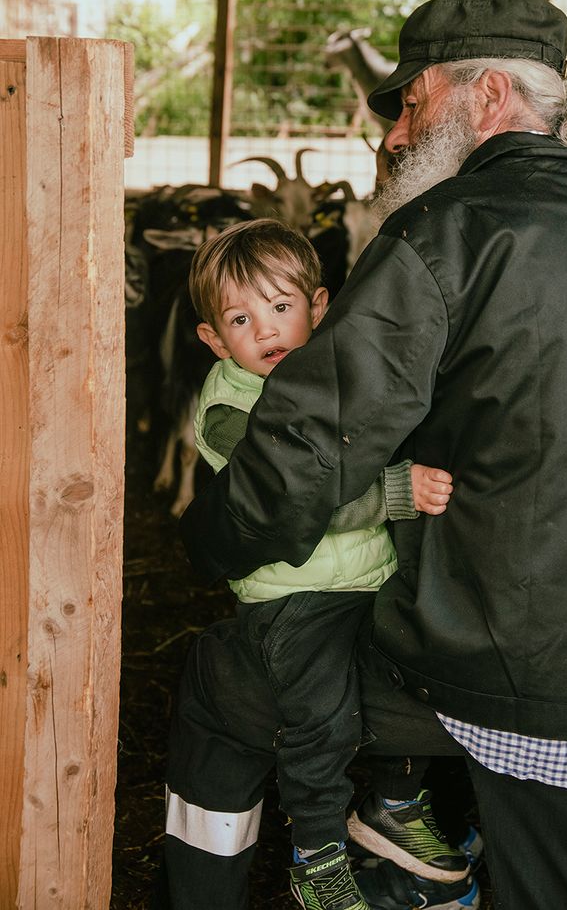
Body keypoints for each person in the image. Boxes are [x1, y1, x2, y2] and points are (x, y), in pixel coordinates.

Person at [168, 0, 567, 910]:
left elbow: (310, 442)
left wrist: (207, 537)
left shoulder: (449, 232)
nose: (394, 137)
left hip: (496, 672)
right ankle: (405, 825)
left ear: (487, 94)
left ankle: (263, 876)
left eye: (411, 105)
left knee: (218, 680)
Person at [159, 216, 472, 910]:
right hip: (296, 598)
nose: (265, 329)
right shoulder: (228, 408)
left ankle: (396, 801)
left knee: (420, 666)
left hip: (368, 580)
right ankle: (318, 852)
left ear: (320, 307)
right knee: (322, 712)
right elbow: (289, 499)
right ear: (213, 338)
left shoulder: (334, 375)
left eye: (280, 306)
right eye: (241, 318)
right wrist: (396, 491)